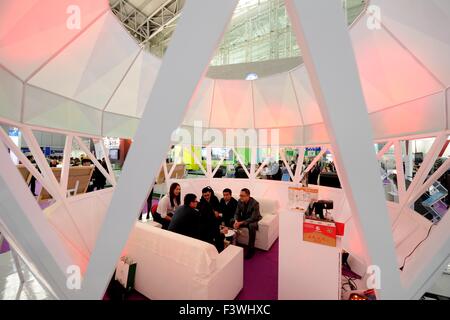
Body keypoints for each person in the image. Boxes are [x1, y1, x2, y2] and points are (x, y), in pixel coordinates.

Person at [233, 188, 262, 259]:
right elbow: (237, 213)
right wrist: (236, 221)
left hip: (253, 220)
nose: (240, 197)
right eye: (240, 195)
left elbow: (253, 218)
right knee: (231, 220)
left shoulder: (255, 203)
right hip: (244, 218)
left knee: (251, 226)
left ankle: (251, 249)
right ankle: (232, 243)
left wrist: (240, 222)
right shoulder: (240, 201)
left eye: (242, 196)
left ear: (248, 196)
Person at [198, 186, 225, 252]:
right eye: (205, 196)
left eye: (208, 195)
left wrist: (217, 212)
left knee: (220, 219)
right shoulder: (201, 202)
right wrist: (213, 212)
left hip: (216, 218)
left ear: (210, 193)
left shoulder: (214, 198)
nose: (206, 197)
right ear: (202, 195)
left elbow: (219, 209)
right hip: (207, 221)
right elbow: (203, 213)